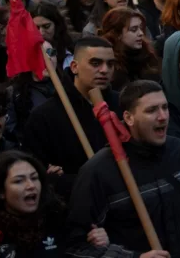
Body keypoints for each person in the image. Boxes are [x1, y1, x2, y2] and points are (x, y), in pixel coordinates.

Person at [65, 80, 180, 257]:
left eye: (165, 107)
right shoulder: (98, 171)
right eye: (152, 110)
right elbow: (76, 247)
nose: (163, 116)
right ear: (128, 118)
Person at [22, 37, 120, 197]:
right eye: (95, 63)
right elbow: (36, 174)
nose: (104, 70)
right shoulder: (44, 116)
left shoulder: (121, 104)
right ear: (74, 67)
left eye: (110, 64)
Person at [0, 150, 109, 258]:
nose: (31, 185)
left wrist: (99, 242)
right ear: (0, 192)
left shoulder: (58, 218)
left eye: (34, 178)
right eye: (19, 181)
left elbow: (80, 248)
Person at [100, 6, 160, 91]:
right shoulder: (111, 66)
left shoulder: (148, 56)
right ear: (117, 34)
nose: (141, 33)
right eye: (134, 29)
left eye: (141, 28)